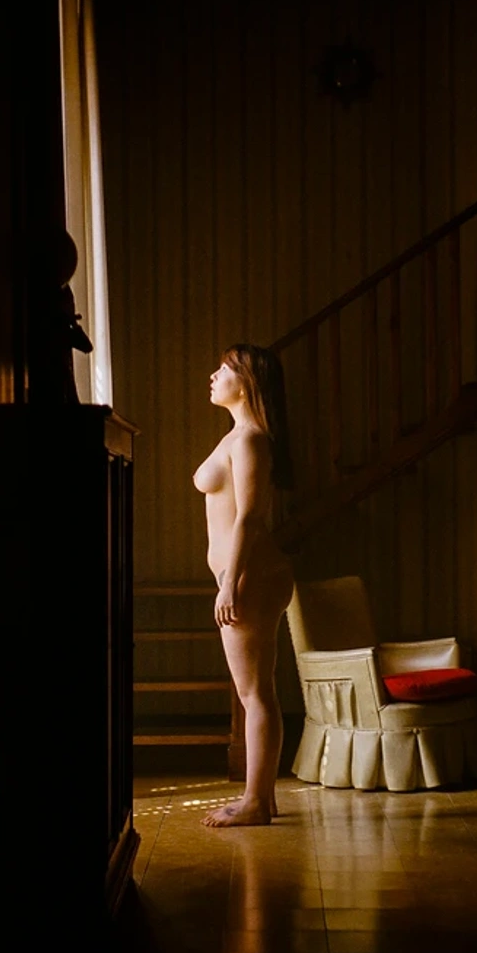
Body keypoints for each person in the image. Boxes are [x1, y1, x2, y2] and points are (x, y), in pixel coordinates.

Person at [192, 344, 295, 827]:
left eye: (224, 369)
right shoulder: (236, 436)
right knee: (254, 690)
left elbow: (250, 517)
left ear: (247, 382)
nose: (213, 375)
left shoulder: (251, 440)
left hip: (252, 575)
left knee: (254, 693)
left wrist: (230, 582)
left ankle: (255, 802)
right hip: (244, 574)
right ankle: (263, 797)